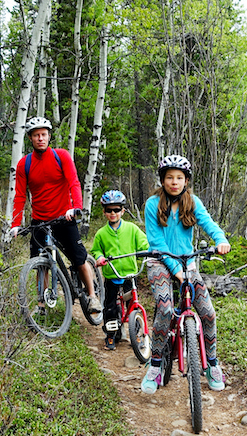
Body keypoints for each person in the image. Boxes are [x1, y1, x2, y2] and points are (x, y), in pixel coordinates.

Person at [141, 154, 231, 394]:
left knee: (208, 313)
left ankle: (212, 364)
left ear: (186, 181)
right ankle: (156, 364)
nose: (174, 182)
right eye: (169, 177)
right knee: (165, 309)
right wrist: (176, 271)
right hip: (159, 261)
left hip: (187, 262)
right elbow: (157, 242)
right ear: (162, 180)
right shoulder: (152, 204)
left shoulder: (193, 202)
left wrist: (220, 239)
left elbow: (209, 224)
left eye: (179, 178)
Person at [8, 116, 102, 314]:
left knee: (79, 258)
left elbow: (74, 182)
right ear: (31, 139)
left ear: (49, 136)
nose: (40, 138)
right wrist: (15, 224)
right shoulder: (24, 164)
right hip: (39, 221)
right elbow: (19, 196)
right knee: (41, 264)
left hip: (64, 217)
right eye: (36, 135)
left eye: (43, 134)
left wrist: (76, 208)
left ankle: (93, 297)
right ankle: (41, 305)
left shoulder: (61, 156)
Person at [91, 190, 149, 350]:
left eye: (116, 210)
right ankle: (111, 335)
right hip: (112, 274)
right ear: (104, 212)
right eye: (109, 210)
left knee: (133, 303)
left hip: (130, 273)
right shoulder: (101, 233)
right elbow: (96, 250)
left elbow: (144, 243)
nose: (113, 213)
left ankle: (137, 333)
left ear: (122, 211)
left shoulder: (131, 229)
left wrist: (149, 250)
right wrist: (99, 257)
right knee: (109, 306)